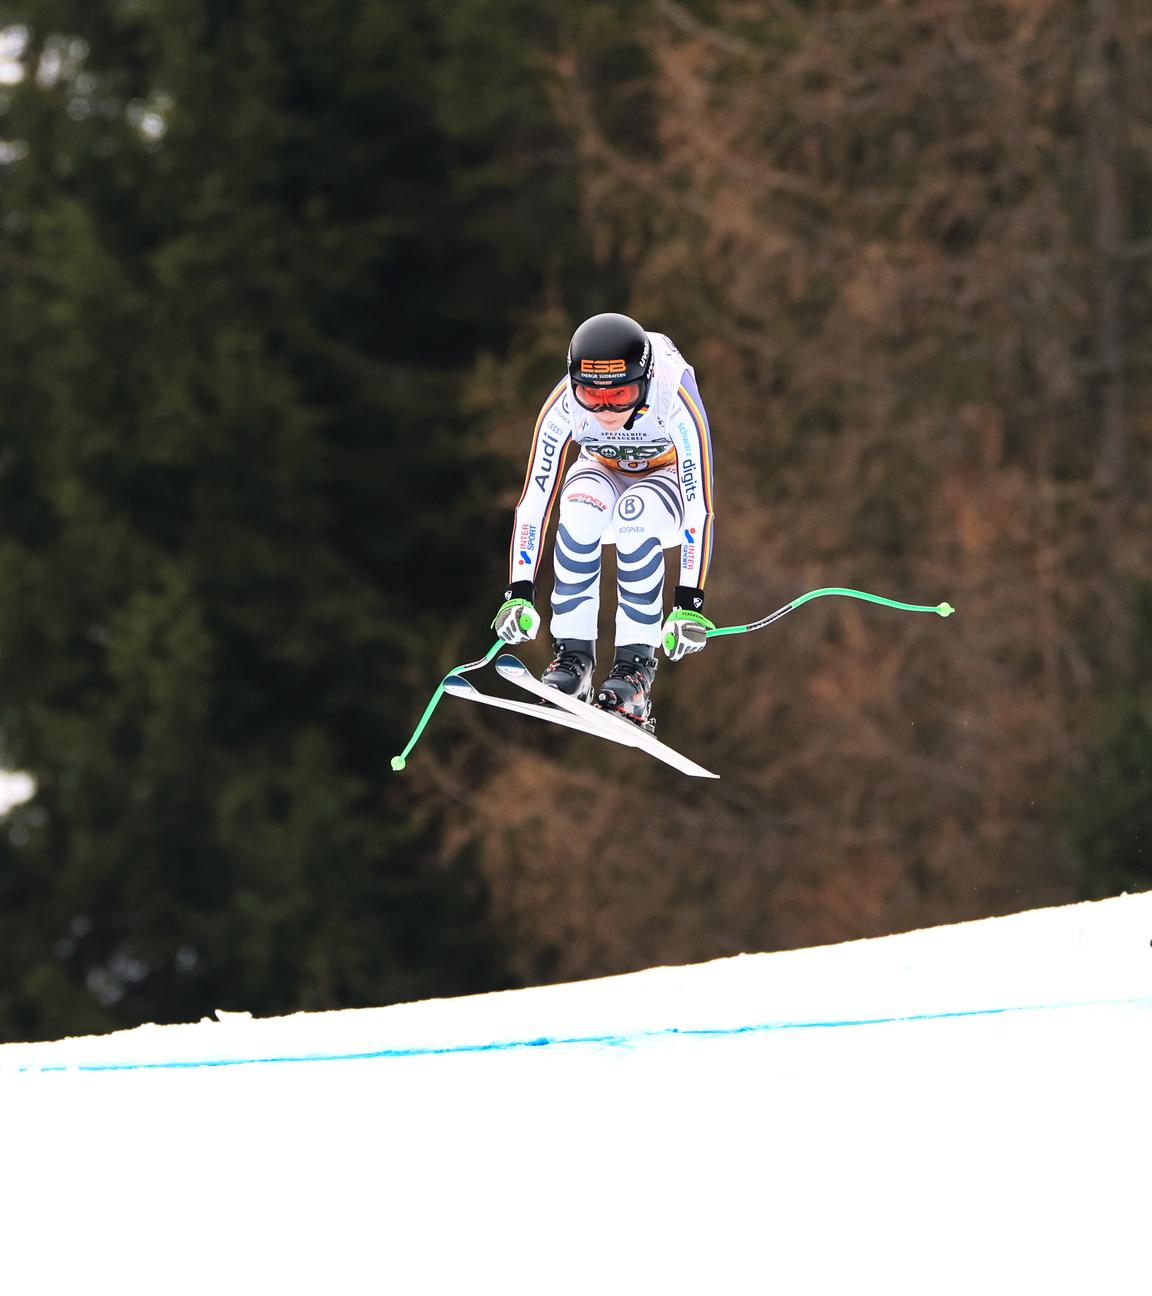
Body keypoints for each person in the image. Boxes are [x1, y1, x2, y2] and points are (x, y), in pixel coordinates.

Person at [491, 312, 716, 731]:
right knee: (578, 506)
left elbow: (698, 505)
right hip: (602, 470)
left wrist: (689, 603)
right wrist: (518, 591)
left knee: (636, 513)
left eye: (621, 394)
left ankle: (634, 674)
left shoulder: (673, 394)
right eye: (591, 396)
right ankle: (573, 659)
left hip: (664, 482)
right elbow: (535, 500)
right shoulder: (564, 404)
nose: (606, 409)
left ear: (645, 382)